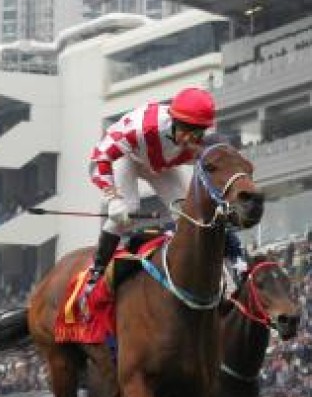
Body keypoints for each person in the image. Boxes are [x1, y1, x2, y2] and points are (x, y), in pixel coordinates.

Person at [82, 86, 247, 301]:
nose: (190, 139)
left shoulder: (201, 143)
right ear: (174, 121)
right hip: (129, 158)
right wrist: (112, 198)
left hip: (162, 165)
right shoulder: (143, 128)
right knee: (128, 210)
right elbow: (99, 158)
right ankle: (97, 271)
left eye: (198, 132)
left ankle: (226, 270)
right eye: (186, 130)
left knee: (192, 214)